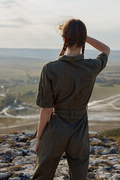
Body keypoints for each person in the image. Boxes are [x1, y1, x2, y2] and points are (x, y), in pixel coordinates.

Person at [31, 19, 110, 180]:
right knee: (79, 175)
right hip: (80, 129)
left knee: (42, 175)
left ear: (63, 39)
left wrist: (39, 137)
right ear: (82, 40)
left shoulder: (50, 69)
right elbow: (106, 49)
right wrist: (84, 37)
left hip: (56, 128)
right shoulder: (92, 66)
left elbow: (46, 109)